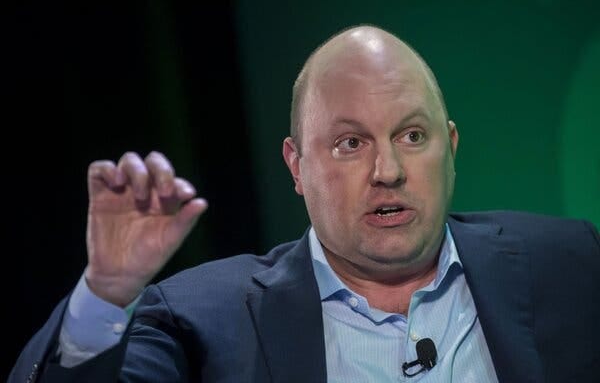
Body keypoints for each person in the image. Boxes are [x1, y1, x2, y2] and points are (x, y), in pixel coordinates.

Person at [9, 25, 600, 383]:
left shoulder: (572, 264)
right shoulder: (204, 321)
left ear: (450, 147)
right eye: (350, 143)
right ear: (297, 167)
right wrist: (105, 293)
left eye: (412, 136)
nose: (388, 171)